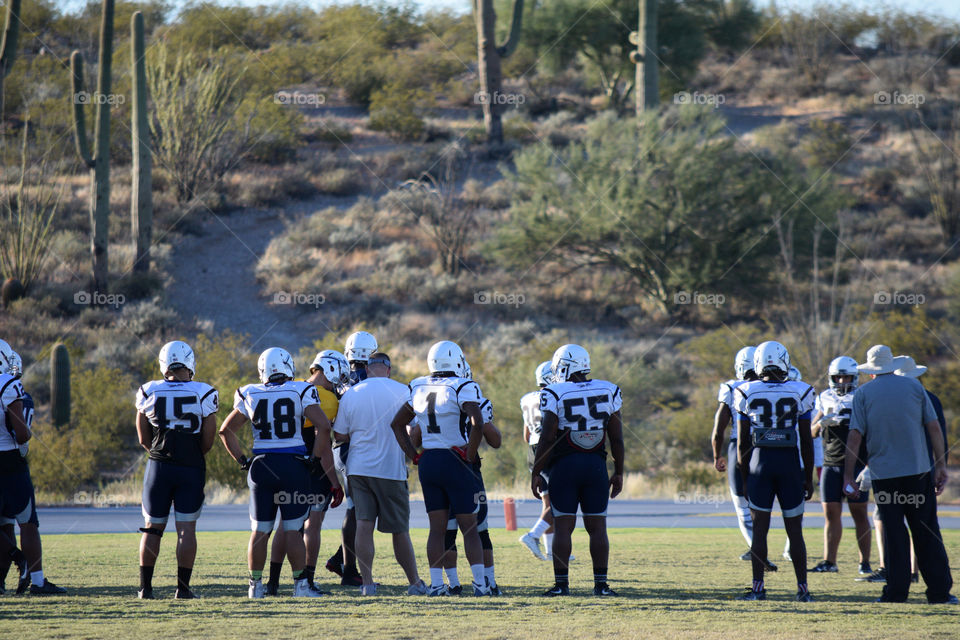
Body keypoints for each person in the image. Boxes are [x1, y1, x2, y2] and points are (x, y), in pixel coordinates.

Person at [219, 348, 343, 599]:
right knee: (293, 529)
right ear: (288, 366)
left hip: (261, 466)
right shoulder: (301, 390)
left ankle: (255, 587)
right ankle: (301, 586)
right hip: (291, 465)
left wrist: (243, 461)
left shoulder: (250, 391)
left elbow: (225, 431)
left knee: (260, 529)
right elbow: (322, 427)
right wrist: (313, 459)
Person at [843, 345, 956, 604]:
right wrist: (940, 466)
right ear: (892, 366)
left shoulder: (863, 393)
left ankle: (896, 593)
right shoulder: (915, 388)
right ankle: (939, 593)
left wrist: (848, 474)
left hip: (886, 476)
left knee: (893, 534)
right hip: (918, 472)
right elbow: (934, 428)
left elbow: (855, 436)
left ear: (871, 372)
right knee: (926, 532)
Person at [389, 340, 489, 596]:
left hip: (430, 461)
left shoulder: (418, 385)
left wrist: (414, 456)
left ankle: (436, 585)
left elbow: (397, 424)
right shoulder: (463, 385)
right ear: (456, 361)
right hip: (455, 459)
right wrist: (469, 453)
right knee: (470, 527)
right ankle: (480, 584)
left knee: (437, 529)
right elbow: (477, 423)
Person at [532, 344, 624, 597]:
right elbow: (617, 438)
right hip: (595, 466)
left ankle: (562, 585)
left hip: (565, 467)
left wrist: (536, 470)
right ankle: (601, 585)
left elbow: (548, 438)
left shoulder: (553, 392)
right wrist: (619, 471)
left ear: (564, 366)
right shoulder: (609, 389)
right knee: (598, 527)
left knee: (563, 527)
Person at [333, 351, 426, 596]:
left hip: (358, 469)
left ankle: (367, 584)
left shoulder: (352, 394)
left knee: (363, 523)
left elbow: (339, 436)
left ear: (367, 368)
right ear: (388, 368)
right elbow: (416, 430)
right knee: (399, 529)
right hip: (390, 469)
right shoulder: (403, 391)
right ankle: (414, 582)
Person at [134, 341, 219, 599]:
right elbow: (208, 438)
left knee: (152, 528)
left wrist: (160, 455)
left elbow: (142, 438)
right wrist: (190, 455)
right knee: (186, 530)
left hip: (158, 466)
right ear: (190, 363)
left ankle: (145, 589)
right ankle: (182, 589)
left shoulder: (149, 390)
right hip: (190, 467)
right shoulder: (204, 391)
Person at [733, 340, 815, 602]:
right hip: (790, 465)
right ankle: (802, 590)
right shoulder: (801, 390)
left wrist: (745, 478)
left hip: (760, 465)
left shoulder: (746, 391)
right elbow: (806, 439)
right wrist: (808, 476)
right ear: (783, 360)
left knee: (759, 530)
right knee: (795, 531)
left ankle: (758, 589)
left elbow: (743, 443)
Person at [266, 350, 349, 595]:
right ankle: (306, 581)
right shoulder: (328, 399)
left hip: (278, 462)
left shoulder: (292, 386)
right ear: (330, 369)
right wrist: (334, 481)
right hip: (310, 467)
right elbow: (321, 444)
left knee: (286, 525)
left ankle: (272, 582)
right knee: (312, 525)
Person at [432, 360, 503, 595]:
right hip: (467, 468)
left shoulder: (429, 396)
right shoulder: (476, 400)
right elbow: (495, 440)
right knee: (478, 528)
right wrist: (470, 453)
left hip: (438, 464)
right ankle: (487, 583)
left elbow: (416, 431)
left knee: (447, 530)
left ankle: (452, 584)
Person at [0, 346, 63, 595]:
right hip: (11, 461)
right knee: (27, 522)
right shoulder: (8, 384)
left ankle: (1, 580)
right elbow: (22, 433)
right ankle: (36, 580)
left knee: (3, 525)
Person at [711, 346, 775, 570]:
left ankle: (759, 553)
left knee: (742, 504)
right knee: (762, 504)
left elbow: (719, 428)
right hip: (768, 447)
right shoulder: (772, 386)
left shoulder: (732, 387)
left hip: (739, 446)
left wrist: (716, 454)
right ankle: (763, 548)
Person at [809, 356, 871, 575]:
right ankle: (829, 561)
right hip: (831, 463)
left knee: (860, 514)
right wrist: (821, 422)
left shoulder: (863, 396)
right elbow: (811, 433)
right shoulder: (824, 397)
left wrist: (869, 465)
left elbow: (872, 432)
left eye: (846, 376)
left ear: (854, 377)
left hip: (857, 464)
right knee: (831, 515)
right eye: (838, 377)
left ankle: (865, 562)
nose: (843, 380)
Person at [325, 330, 378, 586]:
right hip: (359, 449)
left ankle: (341, 559)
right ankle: (348, 571)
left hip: (340, 447)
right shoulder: (372, 378)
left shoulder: (338, 378)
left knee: (362, 509)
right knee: (358, 509)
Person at [519, 361, 556, 562]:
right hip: (549, 449)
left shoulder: (527, 398)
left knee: (547, 503)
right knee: (558, 502)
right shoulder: (555, 395)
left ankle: (551, 552)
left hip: (533, 451)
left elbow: (526, 436)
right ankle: (533, 535)